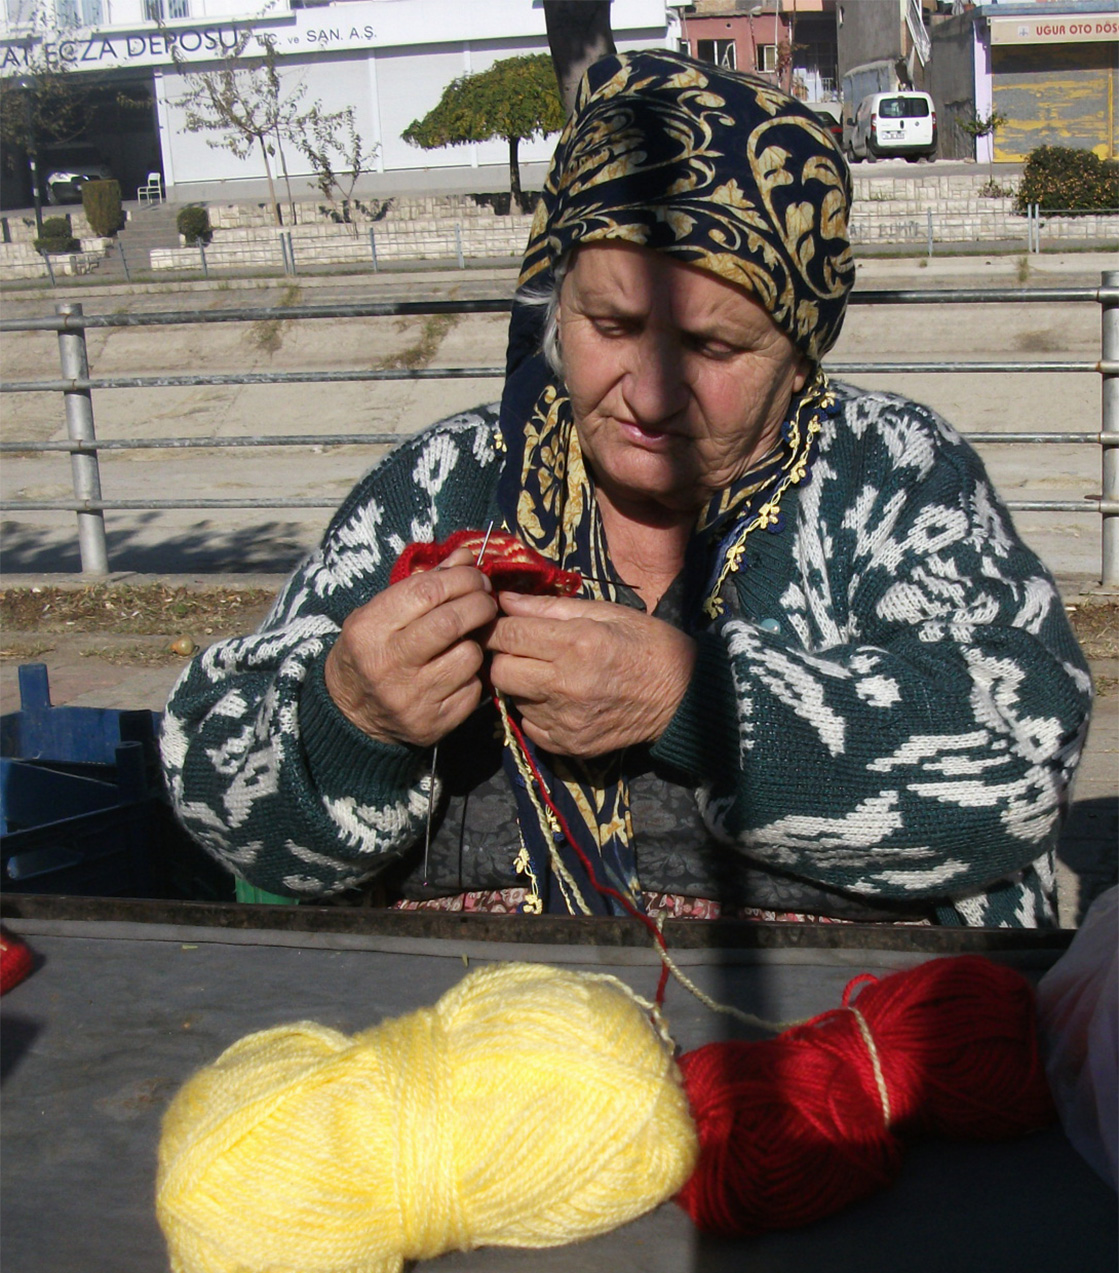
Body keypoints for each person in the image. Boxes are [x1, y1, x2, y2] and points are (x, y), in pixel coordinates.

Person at [161, 52, 1092, 928]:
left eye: (712, 347)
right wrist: (347, 720)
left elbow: (1023, 756)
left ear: (801, 355)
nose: (648, 394)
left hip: (839, 1027)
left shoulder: (890, 477)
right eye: (610, 324)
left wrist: (691, 703)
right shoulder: (445, 484)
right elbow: (214, 786)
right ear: (554, 303)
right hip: (471, 1028)